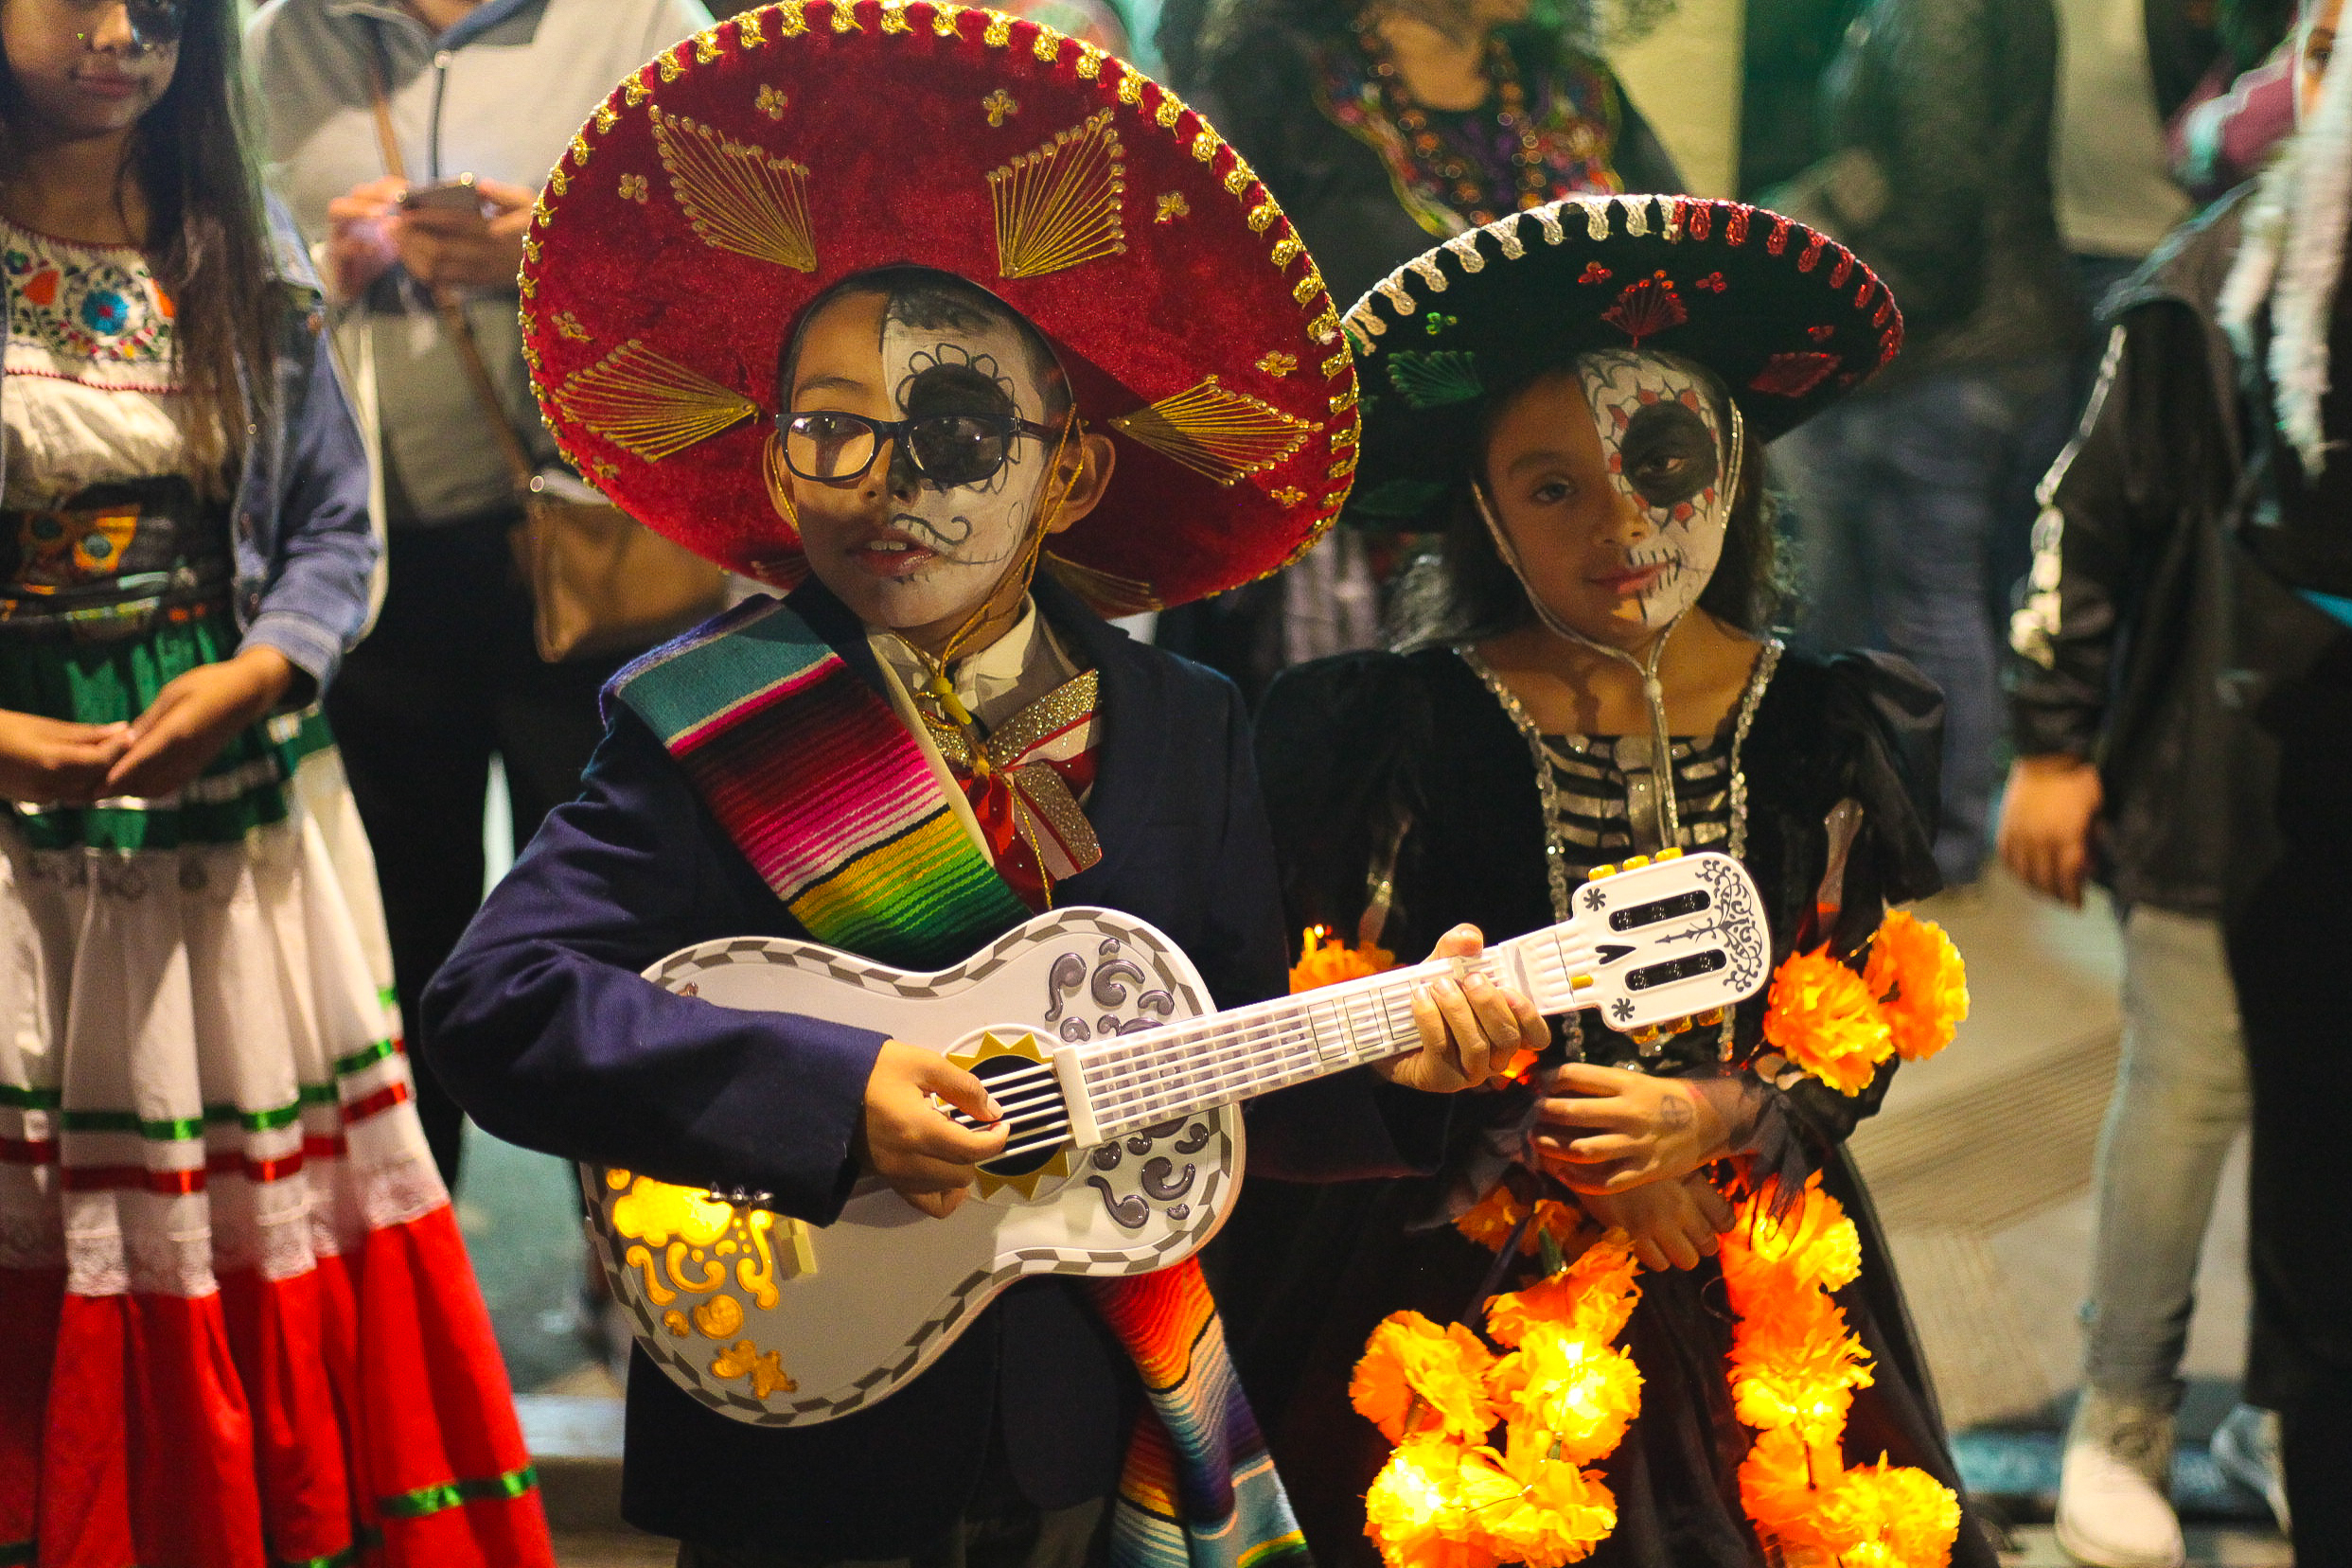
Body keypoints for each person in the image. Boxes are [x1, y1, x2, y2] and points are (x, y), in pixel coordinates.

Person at [418, 9, 1545, 1563]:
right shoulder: (702, 718)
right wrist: (831, 1097)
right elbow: (493, 1005)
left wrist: (1400, 1067)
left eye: (951, 435)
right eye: (834, 433)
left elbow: (1204, 1060)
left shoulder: (1191, 722)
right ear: (773, 463)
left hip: (1092, 1410)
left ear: (1064, 469)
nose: (889, 486)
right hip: (808, 1432)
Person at [1208, 194, 1997, 1568]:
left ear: (1736, 462)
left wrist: (1716, 1110)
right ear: (1485, 508)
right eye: (1553, 486)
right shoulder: (1391, 728)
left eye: (1664, 458)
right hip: (1453, 1271)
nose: (1621, 524)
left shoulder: (1825, 722)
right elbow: (1323, 1022)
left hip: (1741, 1244)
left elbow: (1857, 1014)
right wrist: (1539, 1134)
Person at [0, 0, 551, 1563]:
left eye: (159, 10)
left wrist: (253, 676)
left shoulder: (248, 261)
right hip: (17, 816)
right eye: (78, 1)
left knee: (236, 1188)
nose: (122, 35)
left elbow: (330, 538)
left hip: (231, 811)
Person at [245, 0, 712, 1187]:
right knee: (401, 936)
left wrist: (557, 256)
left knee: (625, 923)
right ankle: (417, 1249)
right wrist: (319, 272)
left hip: (598, 553)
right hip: (372, 571)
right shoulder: (275, 41)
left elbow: (742, 266)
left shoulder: (642, 22)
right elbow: (214, 265)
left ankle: (653, 1240)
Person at [1997, 9, 2343, 1562]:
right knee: (2190, 1092)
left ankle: (2288, 1401)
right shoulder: (2197, 297)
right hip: (2215, 786)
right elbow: (2085, 526)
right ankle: (2119, 1414)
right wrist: (2054, 742)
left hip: (2318, 785)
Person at [1149, 0, 1680, 697]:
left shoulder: (1571, 83)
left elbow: (1680, 275)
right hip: (1336, 570)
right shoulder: (1272, 79)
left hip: (1568, 544)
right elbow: (1182, 299)